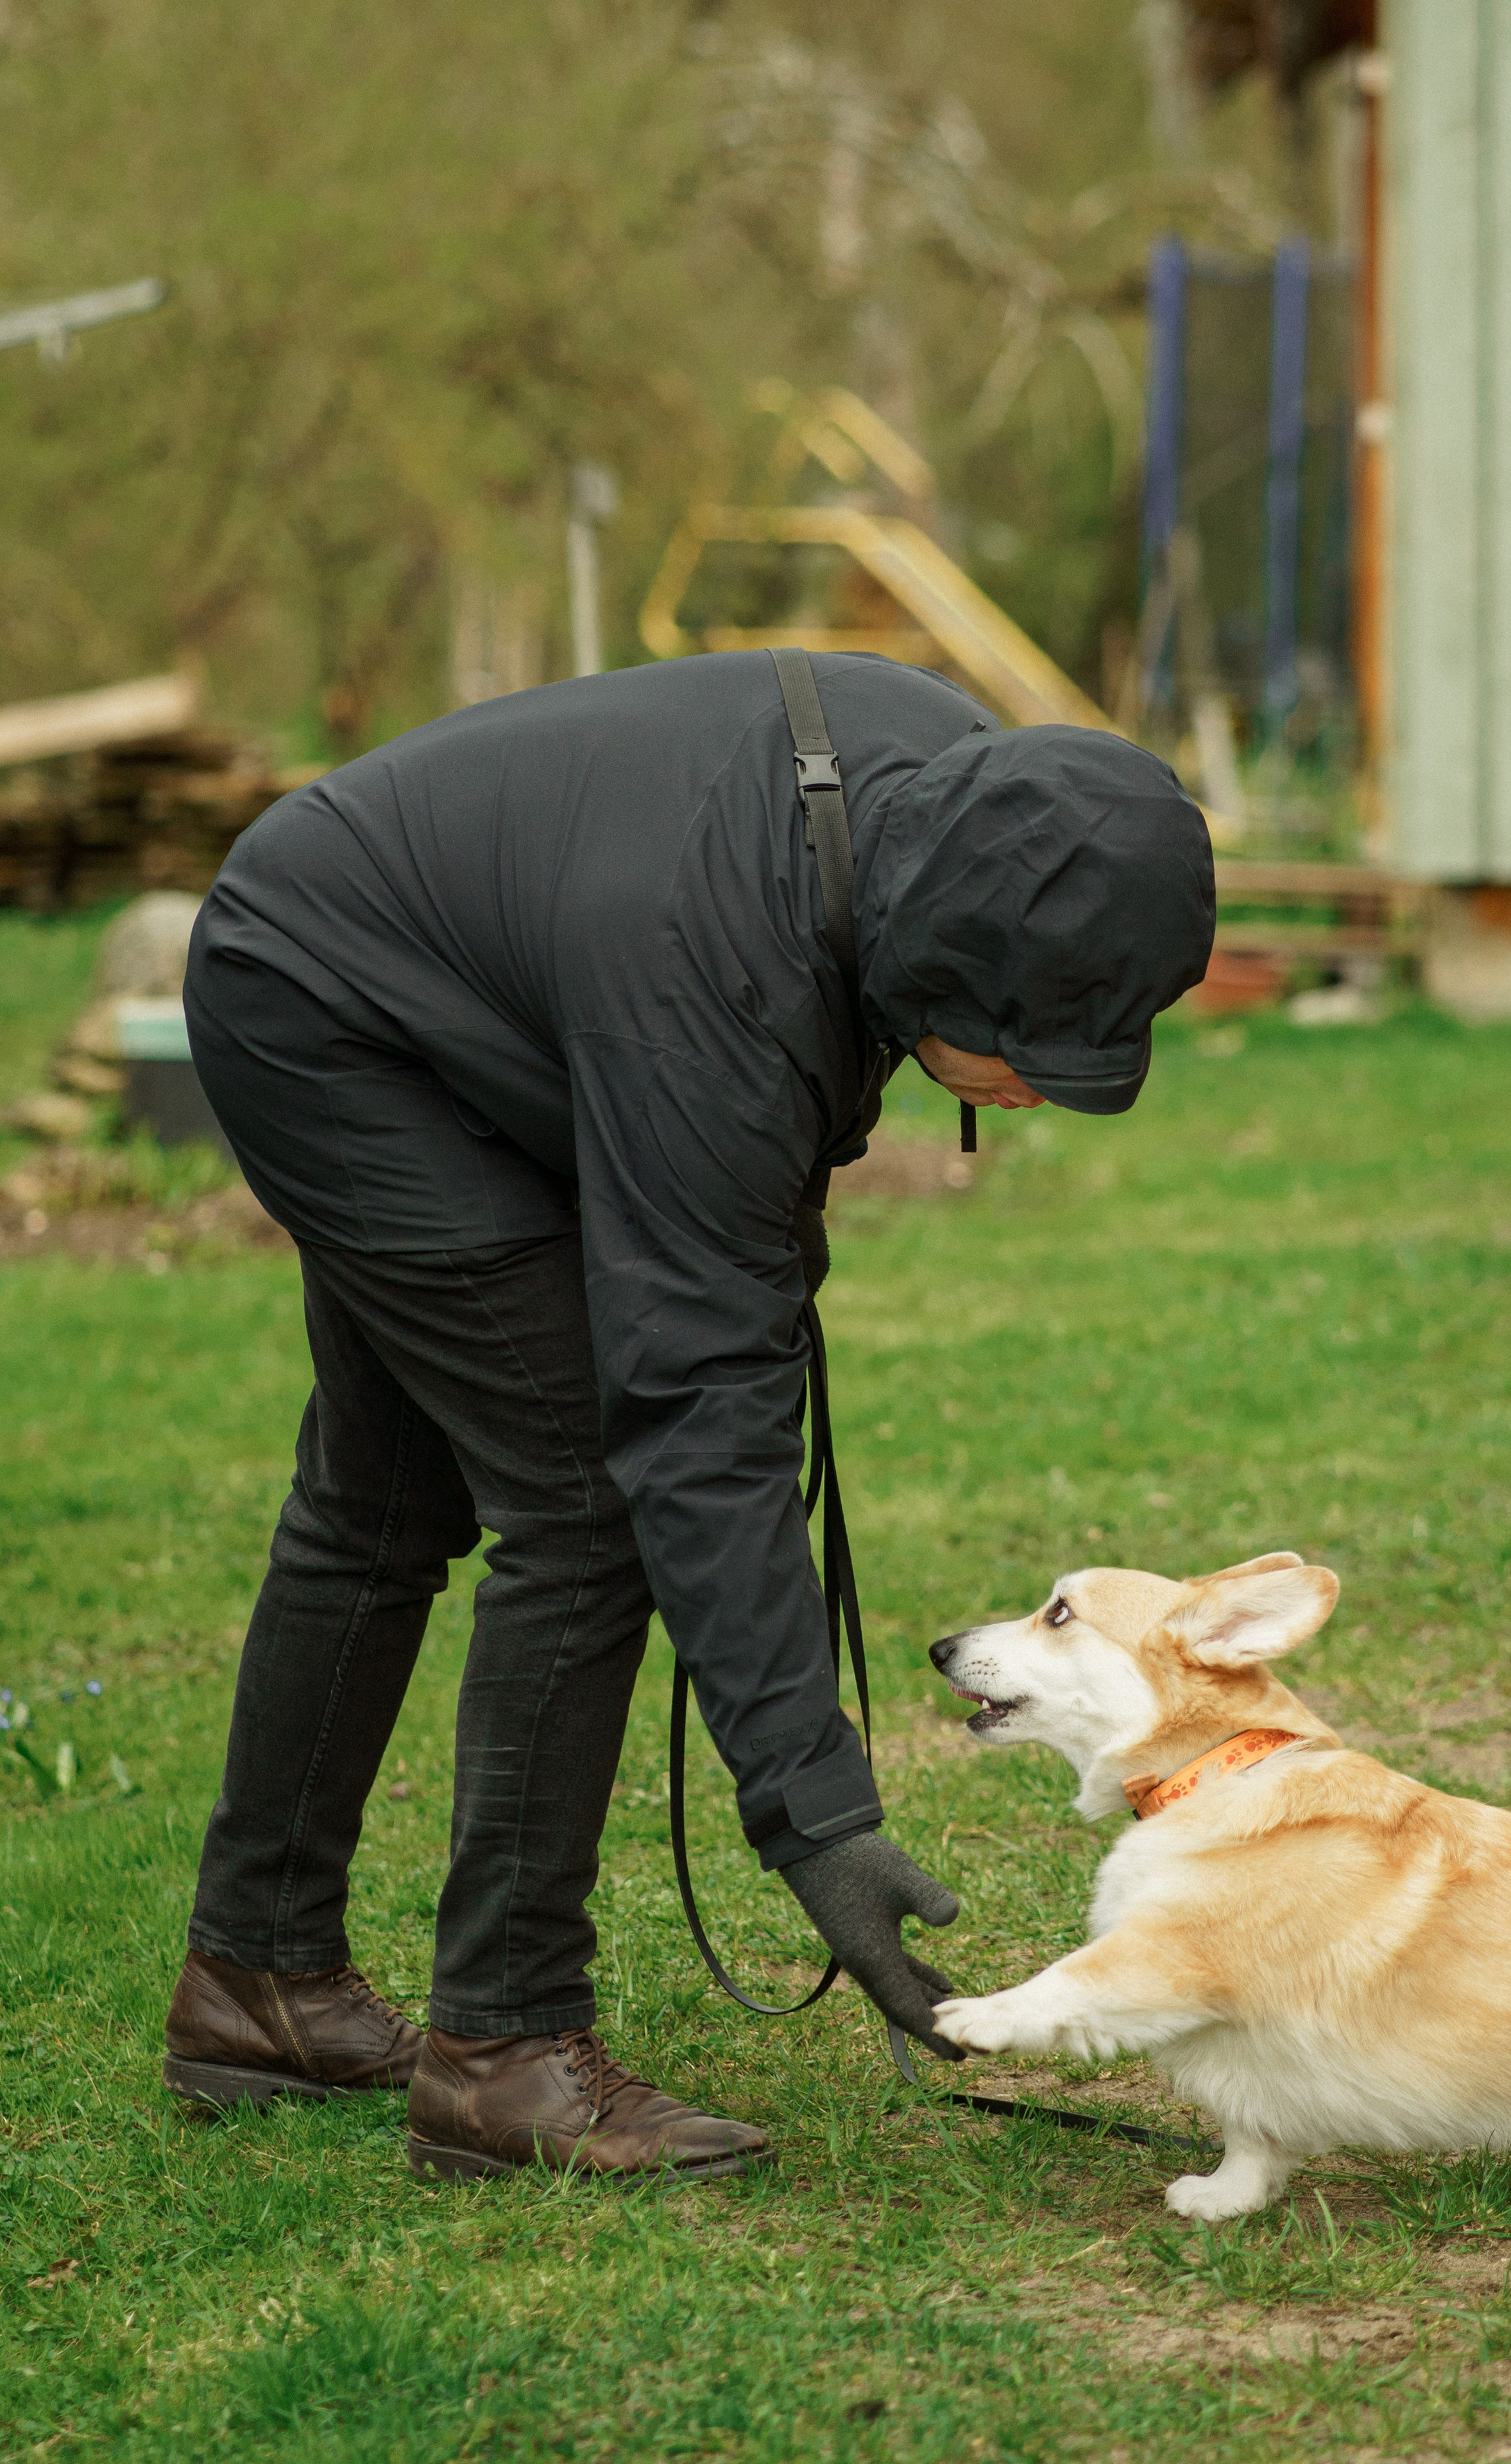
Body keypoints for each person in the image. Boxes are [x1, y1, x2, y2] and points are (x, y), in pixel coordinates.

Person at [162, 649, 1215, 2182]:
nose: (1046, 1090)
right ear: (935, 963)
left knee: (385, 1498)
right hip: (328, 1010)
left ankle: (257, 1981)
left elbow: (744, 1198)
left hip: (482, 982)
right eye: (1029, 1048)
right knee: (584, 1503)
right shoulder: (712, 972)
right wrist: (816, 1821)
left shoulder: (964, 809)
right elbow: (692, 1410)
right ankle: (502, 2047)